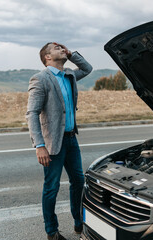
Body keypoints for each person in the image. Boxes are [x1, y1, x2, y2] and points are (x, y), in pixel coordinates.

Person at [26, 42, 92, 240]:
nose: (62, 49)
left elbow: (87, 69)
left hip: (72, 140)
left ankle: (79, 223)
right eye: (57, 48)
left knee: (79, 182)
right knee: (51, 187)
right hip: (53, 143)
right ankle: (52, 232)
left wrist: (71, 54)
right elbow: (32, 113)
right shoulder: (40, 79)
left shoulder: (69, 75)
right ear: (47, 57)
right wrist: (39, 145)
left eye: (63, 48)